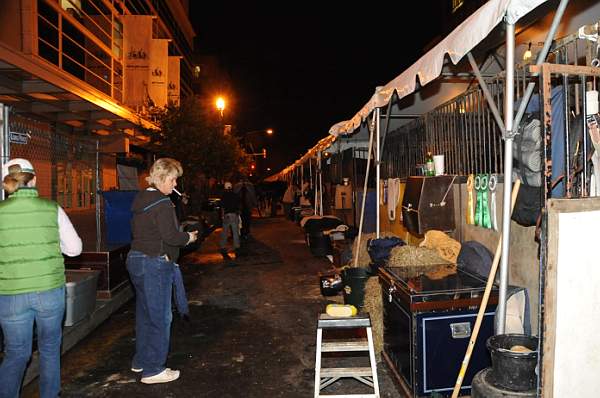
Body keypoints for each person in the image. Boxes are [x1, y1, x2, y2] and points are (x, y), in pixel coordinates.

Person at [0, 158, 83, 398]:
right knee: (49, 348)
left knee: (16, 353)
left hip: (10, 294)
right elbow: (75, 249)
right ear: (34, 180)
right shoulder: (52, 208)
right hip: (48, 290)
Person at [127, 158, 198, 384]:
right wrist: (188, 237)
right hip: (154, 263)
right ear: (163, 178)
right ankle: (153, 370)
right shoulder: (163, 203)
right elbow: (171, 237)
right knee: (160, 317)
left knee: (146, 314)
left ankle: (141, 361)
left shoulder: (142, 198)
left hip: (136, 259)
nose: (175, 182)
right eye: (173, 178)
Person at [219, 182, 241, 260]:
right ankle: (237, 246)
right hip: (234, 215)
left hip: (227, 215)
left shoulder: (224, 196)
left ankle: (223, 246)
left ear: (225, 188)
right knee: (235, 231)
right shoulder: (235, 195)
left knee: (225, 232)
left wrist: (222, 215)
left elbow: (222, 207)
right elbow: (238, 205)